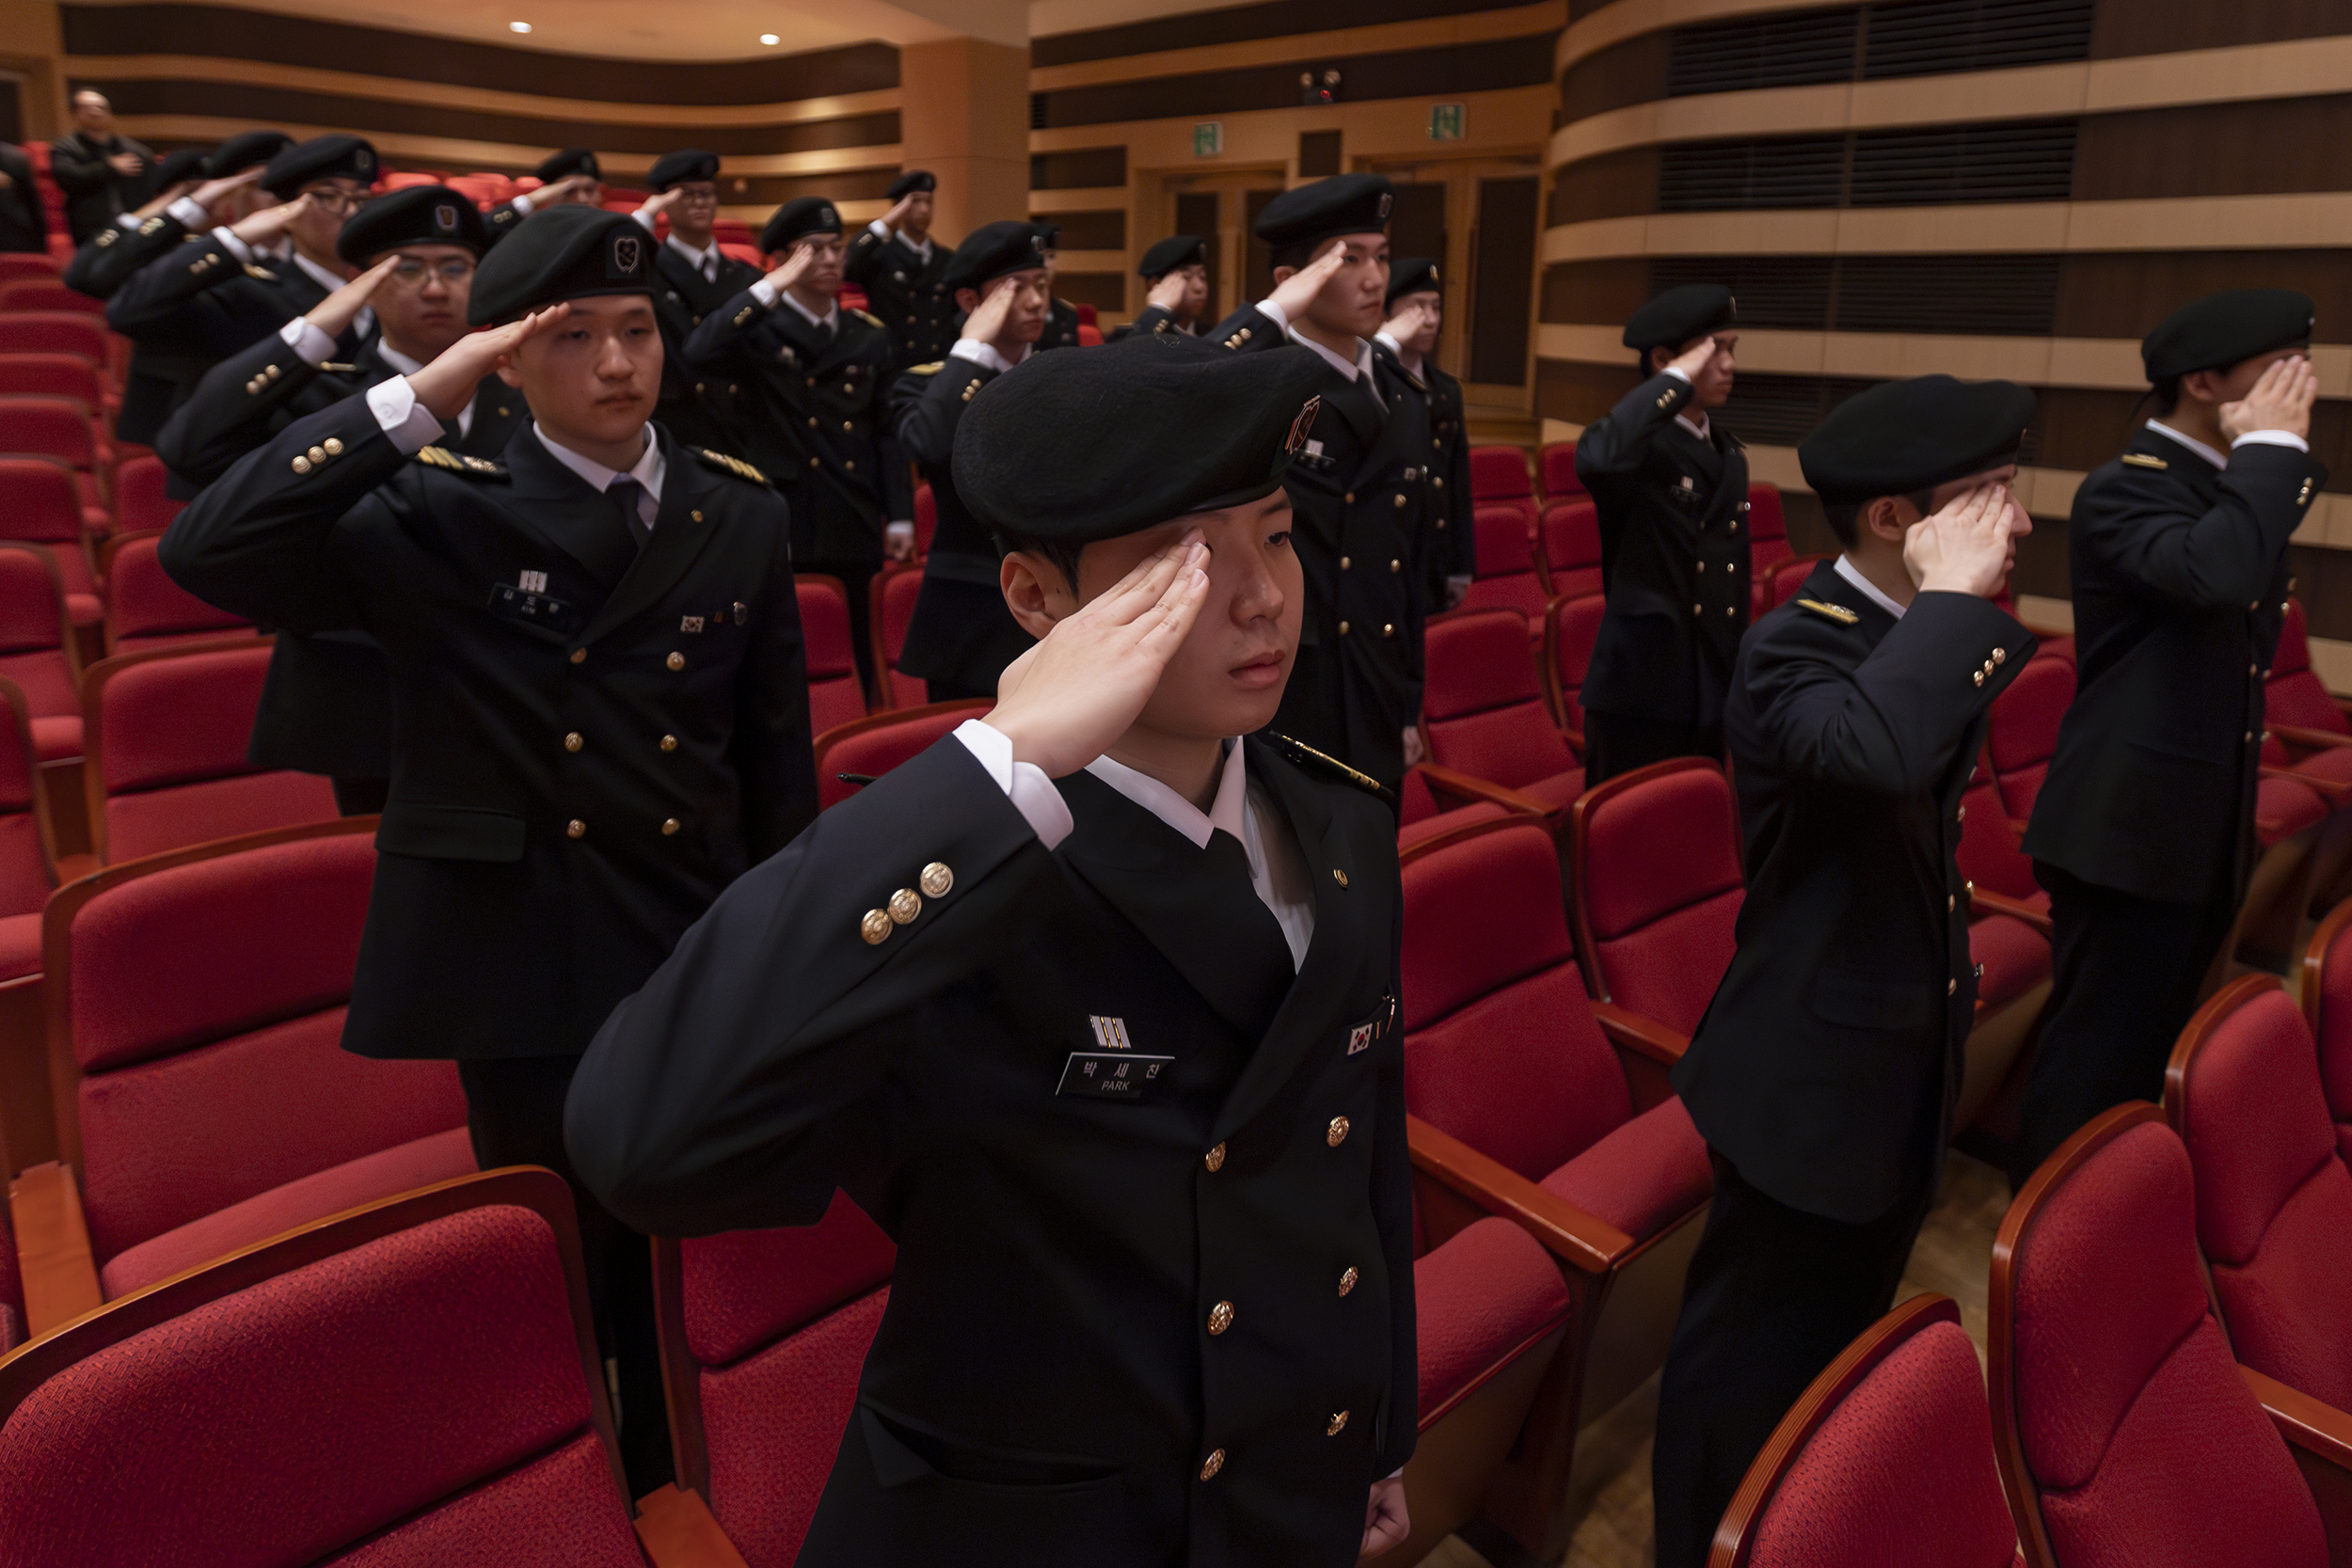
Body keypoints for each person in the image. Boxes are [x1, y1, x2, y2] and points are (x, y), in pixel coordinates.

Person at [565, 331, 1416, 1568]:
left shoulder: (1340, 824)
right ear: (1034, 598)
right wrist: (998, 763)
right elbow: (641, 1141)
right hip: (1038, 1523)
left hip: (1287, 1488)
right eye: (1183, 558)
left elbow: (1360, 1162)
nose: (1261, 596)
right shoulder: (952, 872)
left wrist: (1375, 1424)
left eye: (1276, 535)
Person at [158, 202, 820, 1495]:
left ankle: (679, 1479)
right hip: (523, 947)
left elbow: (771, 754)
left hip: (688, 925)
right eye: (573, 337)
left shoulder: (734, 508)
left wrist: (779, 941)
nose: (618, 363)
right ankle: (573, 1488)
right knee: (556, 1253)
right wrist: (418, 397)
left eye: (638, 330)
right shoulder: (436, 506)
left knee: (682, 1240)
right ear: (507, 358)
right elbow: (206, 546)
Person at [1649, 374, 2039, 1568]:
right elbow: (1871, 751)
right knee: (1741, 1384)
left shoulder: (1902, 636)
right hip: (1804, 1092)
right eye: (1989, 497)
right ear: (1893, 519)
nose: (2018, 523)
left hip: (1889, 1071)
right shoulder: (1796, 646)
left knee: (1829, 1369)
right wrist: (1955, 598)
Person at [2015, 291, 2326, 1175]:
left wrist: (2266, 458)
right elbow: (2218, 573)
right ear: (2203, 382)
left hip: (2195, 826)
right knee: (2090, 1065)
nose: (2299, 391)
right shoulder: (2127, 487)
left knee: (2144, 1058)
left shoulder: (2230, 485)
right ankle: (2044, 1232)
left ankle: (2111, 1213)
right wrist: (2269, 451)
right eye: (2278, 371)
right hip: (2126, 832)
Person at [159, 186, 529, 820]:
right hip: (367, 695)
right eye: (406, 269)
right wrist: (316, 329)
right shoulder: (324, 394)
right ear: (364, 284)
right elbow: (188, 446)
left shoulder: (523, 394)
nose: (435, 288)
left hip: (508, 690)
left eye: (455, 267)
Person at [1205, 172, 1436, 795]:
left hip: (1376, 678)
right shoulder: (1262, 385)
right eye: (1348, 260)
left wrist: (1408, 703)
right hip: (1292, 685)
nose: (1375, 278)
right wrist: (1272, 316)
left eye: (1381, 257)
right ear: (1293, 281)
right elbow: (1184, 391)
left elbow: (1407, 570)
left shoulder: (1404, 393)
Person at [684, 197, 910, 687]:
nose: (830, 260)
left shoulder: (867, 335)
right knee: (779, 654)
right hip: (785, 513)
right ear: (784, 258)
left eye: (836, 248)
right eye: (814, 249)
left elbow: (885, 431)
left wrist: (901, 514)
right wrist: (771, 286)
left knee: (857, 652)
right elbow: (697, 353)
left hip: (852, 510)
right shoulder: (758, 329)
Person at [1572, 284, 1749, 783]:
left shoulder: (1729, 454)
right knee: (1627, 825)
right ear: (1665, 360)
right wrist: (1673, 380)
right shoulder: (1636, 448)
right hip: (1641, 691)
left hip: (1709, 684)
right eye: (1713, 351)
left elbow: (1732, 579)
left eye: (1732, 349)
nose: (1729, 365)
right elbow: (1596, 458)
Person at [107, 135, 377, 451]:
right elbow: (127, 310)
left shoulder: (387, 296)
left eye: (362, 199)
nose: (351, 212)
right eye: (329, 196)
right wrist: (229, 239)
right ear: (287, 210)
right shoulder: (244, 294)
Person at [889, 220, 1051, 700]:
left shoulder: (1061, 376)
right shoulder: (929, 385)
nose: (1036, 301)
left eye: (1042, 285)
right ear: (969, 301)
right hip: (970, 615)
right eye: (1015, 288)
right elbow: (929, 444)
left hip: (1062, 607)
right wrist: (971, 349)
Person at [626, 148, 760, 454]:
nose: (700, 202)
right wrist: (645, 216)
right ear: (665, 203)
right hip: (679, 420)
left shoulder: (746, 276)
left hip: (739, 420)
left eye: (707, 194)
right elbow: (612, 259)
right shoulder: (648, 270)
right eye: (687, 194)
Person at [1373, 260, 1471, 613]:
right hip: (1383, 552)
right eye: (1417, 307)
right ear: (1387, 313)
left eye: (1436, 307)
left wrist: (1460, 567)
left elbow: (1457, 479)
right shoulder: (1369, 380)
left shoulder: (1445, 389)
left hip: (1432, 551)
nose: (1430, 319)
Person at [846, 168, 954, 369]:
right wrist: (885, 224)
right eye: (916, 201)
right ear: (898, 207)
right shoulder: (880, 256)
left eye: (929, 202)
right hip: (892, 367)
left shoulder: (946, 259)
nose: (924, 209)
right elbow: (848, 265)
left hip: (936, 366)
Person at [48, 89, 155, 242]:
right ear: (74, 114)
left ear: (110, 113)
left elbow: (152, 187)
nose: (95, 111)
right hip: (89, 228)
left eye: (101, 107)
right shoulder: (65, 149)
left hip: (135, 223)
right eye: (87, 107)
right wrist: (109, 167)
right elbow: (69, 180)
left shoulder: (137, 151)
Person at [483, 148, 603, 244]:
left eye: (589, 190)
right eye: (569, 191)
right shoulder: (530, 235)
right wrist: (530, 201)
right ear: (548, 196)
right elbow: (482, 232)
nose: (582, 199)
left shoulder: (609, 234)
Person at [1109, 235, 1211, 341]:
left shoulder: (1212, 336)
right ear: (1156, 285)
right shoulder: (1138, 334)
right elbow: (1132, 349)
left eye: (1202, 277)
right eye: (1186, 277)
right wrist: (1158, 309)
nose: (1200, 287)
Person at [1030, 221, 1085, 350]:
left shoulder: (1067, 315)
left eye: (1051, 256)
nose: (1045, 264)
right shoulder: (1017, 314)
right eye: (1040, 256)